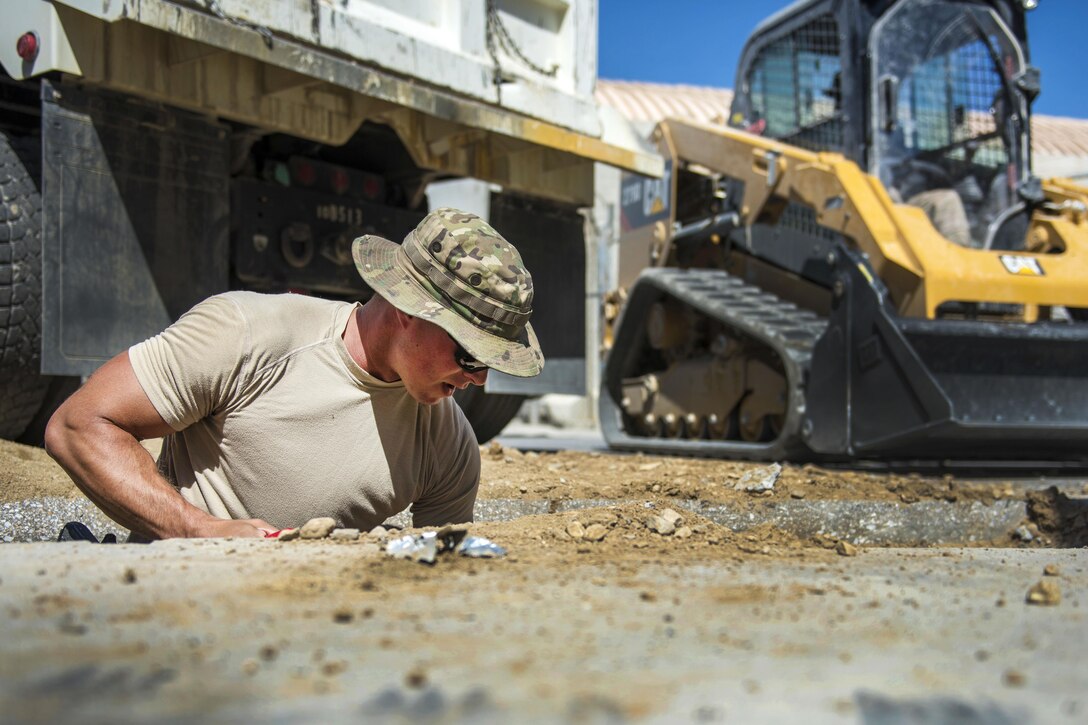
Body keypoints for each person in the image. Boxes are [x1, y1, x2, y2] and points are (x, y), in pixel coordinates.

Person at [44, 208, 543, 540]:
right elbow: (77, 426)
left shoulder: (448, 445)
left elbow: (443, 586)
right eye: (470, 355)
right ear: (409, 309)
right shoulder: (248, 334)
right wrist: (198, 531)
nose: (479, 381)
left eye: (491, 364)